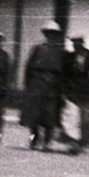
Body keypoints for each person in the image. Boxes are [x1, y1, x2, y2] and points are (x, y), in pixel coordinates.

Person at [20, 22, 66, 150]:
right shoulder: (38, 48)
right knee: (34, 114)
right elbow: (28, 67)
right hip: (37, 83)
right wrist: (28, 84)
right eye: (48, 33)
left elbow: (64, 71)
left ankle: (47, 142)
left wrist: (61, 88)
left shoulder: (61, 51)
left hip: (53, 84)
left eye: (53, 34)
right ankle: (34, 140)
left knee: (50, 115)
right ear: (45, 34)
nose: (51, 36)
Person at [60, 35, 89, 154]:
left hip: (87, 91)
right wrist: (65, 90)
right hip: (73, 91)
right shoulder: (68, 57)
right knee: (72, 117)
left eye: (78, 42)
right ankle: (73, 142)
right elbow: (64, 75)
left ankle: (82, 142)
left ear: (82, 42)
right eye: (73, 42)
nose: (75, 44)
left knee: (85, 118)